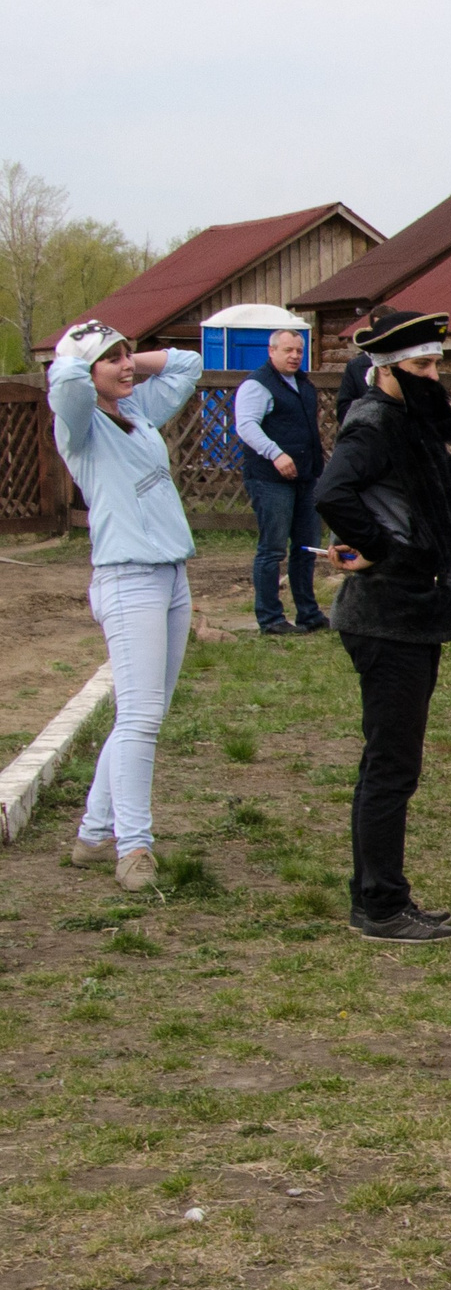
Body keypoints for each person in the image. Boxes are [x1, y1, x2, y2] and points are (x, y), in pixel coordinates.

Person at [312, 309, 451, 943]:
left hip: (413, 613)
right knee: (390, 766)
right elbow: (333, 494)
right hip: (385, 616)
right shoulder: (374, 423)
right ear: (386, 370)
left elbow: (441, 492)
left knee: (393, 762)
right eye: (421, 366)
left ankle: (380, 896)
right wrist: (381, 547)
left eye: (437, 364)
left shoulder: (411, 422)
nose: (433, 375)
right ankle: (379, 906)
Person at [49, 321, 204, 893]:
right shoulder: (82, 424)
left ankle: (93, 834)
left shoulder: (134, 414)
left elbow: (188, 367)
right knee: (140, 718)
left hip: (170, 575)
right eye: (110, 360)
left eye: (126, 354)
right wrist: (77, 352)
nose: (125, 365)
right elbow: (64, 383)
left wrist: (130, 359)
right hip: (126, 577)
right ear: (86, 373)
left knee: (146, 713)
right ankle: (133, 846)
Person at [233, 321, 330, 634]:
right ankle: (271, 617)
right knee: (273, 549)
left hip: (305, 477)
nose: (294, 356)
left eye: (299, 351)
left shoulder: (302, 385)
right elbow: (246, 426)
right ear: (271, 351)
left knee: (306, 547)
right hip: (270, 479)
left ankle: (309, 614)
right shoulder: (257, 385)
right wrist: (275, 453)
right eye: (288, 350)